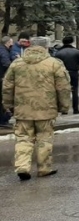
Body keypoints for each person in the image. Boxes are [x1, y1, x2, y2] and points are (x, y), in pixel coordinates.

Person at [2, 36, 71, 180]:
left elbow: (7, 86)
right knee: (44, 138)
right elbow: (63, 87)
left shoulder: (17, 63)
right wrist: (64, 106)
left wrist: (7, 104)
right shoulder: (54, 64)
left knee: (23, 138)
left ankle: (22, 166)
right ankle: (44, 168)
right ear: (46, 47)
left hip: (22, 109)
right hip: (46, 108)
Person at [54, 36, 79, 115]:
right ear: (72, 42)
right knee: (74, 91)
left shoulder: (58, 53)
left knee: (63, 91)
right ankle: (76, 109)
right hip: (74, 73)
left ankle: (64, 109)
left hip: (62, 74)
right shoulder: (76, 52)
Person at [0, 36, 12, 126]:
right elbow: (6, 64)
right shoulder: (3, 51)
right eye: (11, 43)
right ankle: (3, 120)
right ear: (7, 43)